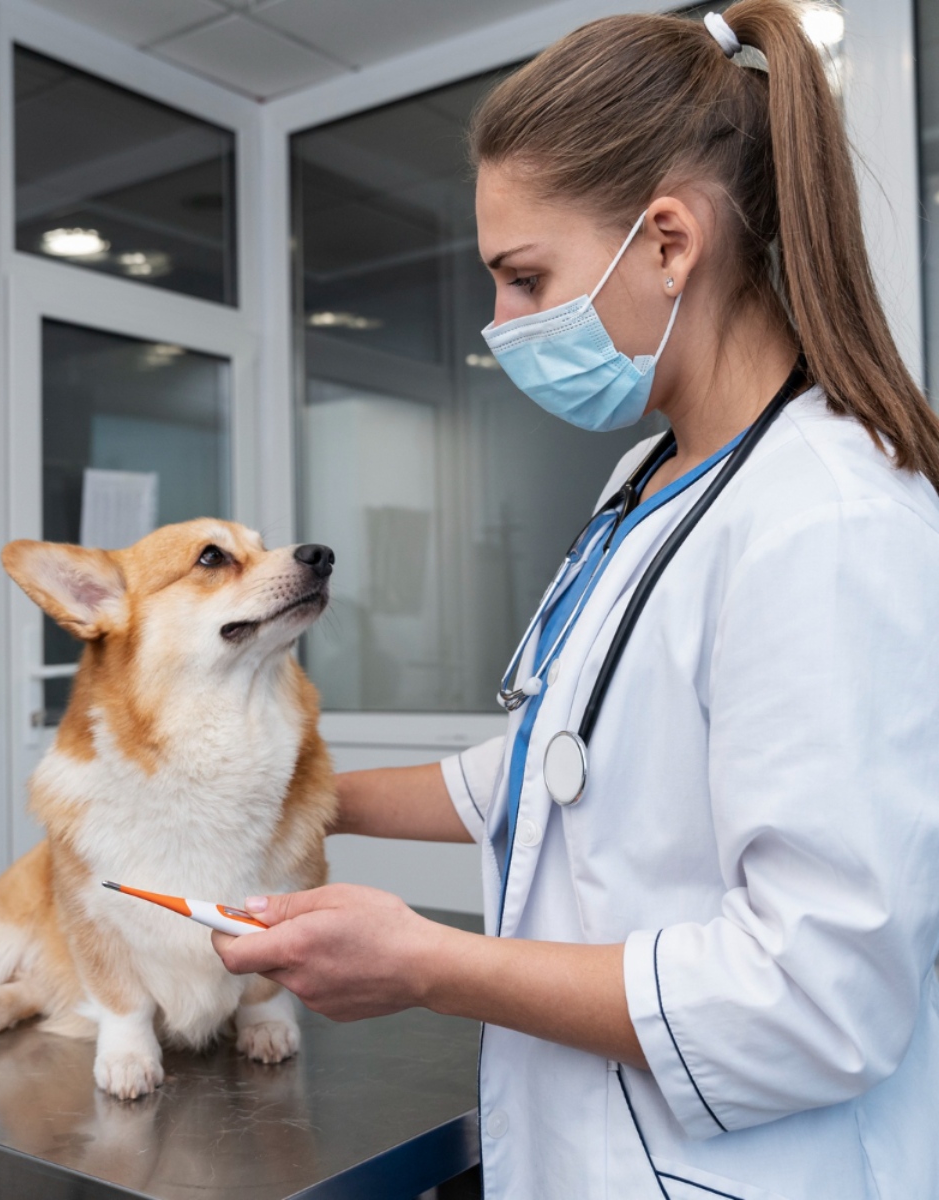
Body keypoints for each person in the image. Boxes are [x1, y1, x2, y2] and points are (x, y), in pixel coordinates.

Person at [213, 3, 939, 1196]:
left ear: (667, 242)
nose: (502, 327)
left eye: (523, 278)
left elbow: (820, 998)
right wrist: (281, 795)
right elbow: (559, 770)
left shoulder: (831, 523)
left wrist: (430, 964)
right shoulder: (648, 483)